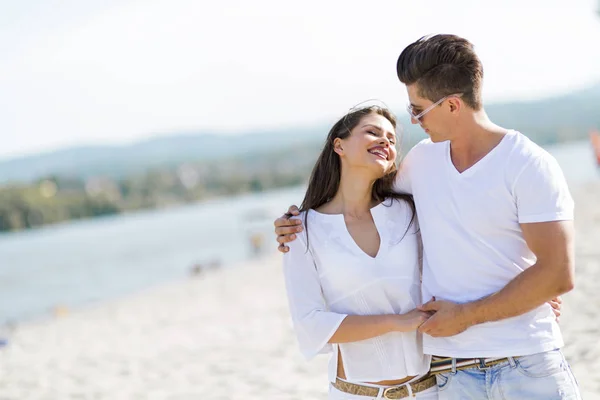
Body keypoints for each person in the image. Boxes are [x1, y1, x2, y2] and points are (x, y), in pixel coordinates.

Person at [275, 34, 580, 399]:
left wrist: (475, 313)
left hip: (527, 364)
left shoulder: (529, 164)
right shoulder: (421, 162)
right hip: (449, 376)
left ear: (451, 105)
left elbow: (558, 274)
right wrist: (295, 221)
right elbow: (362, 193)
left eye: (418, 110)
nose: (414, 121)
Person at [282, 104, 438, 399]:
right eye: (373, 132)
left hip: (430, 390)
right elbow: (311, 324)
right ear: (338, 145)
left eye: (392, 140)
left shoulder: (408, 211)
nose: (386, 142)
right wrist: (396, 322)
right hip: (357, 394)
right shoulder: (301, 230)